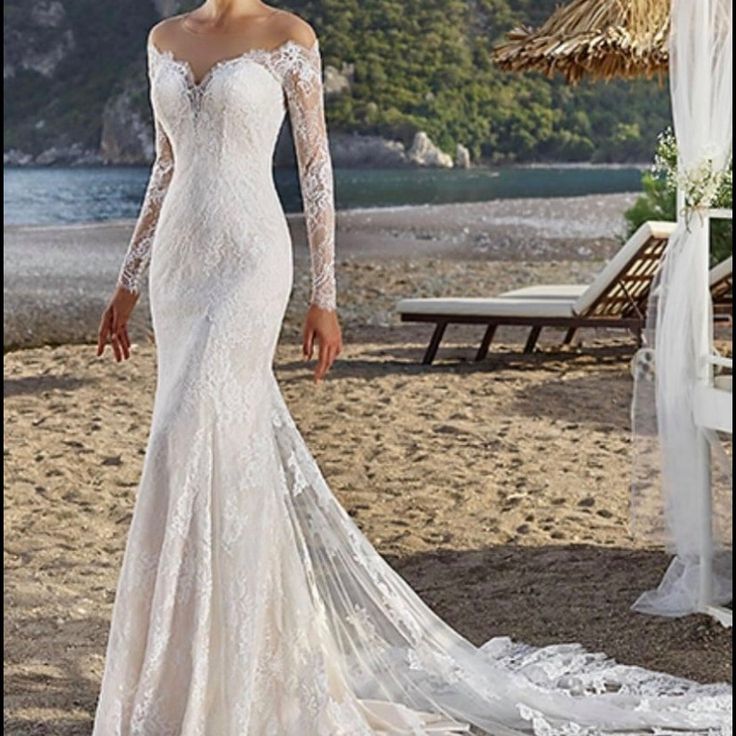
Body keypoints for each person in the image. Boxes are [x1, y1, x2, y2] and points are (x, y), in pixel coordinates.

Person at [92, 2, 731, 733]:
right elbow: (165, 166)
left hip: (249, 260)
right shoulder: (163, 39)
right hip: (179, 264)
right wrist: (127, 279)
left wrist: (324, 297)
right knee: (185, 450)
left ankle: (237, 669)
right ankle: (191, 668)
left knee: (211, 425)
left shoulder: (288, 37)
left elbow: (315, 165)